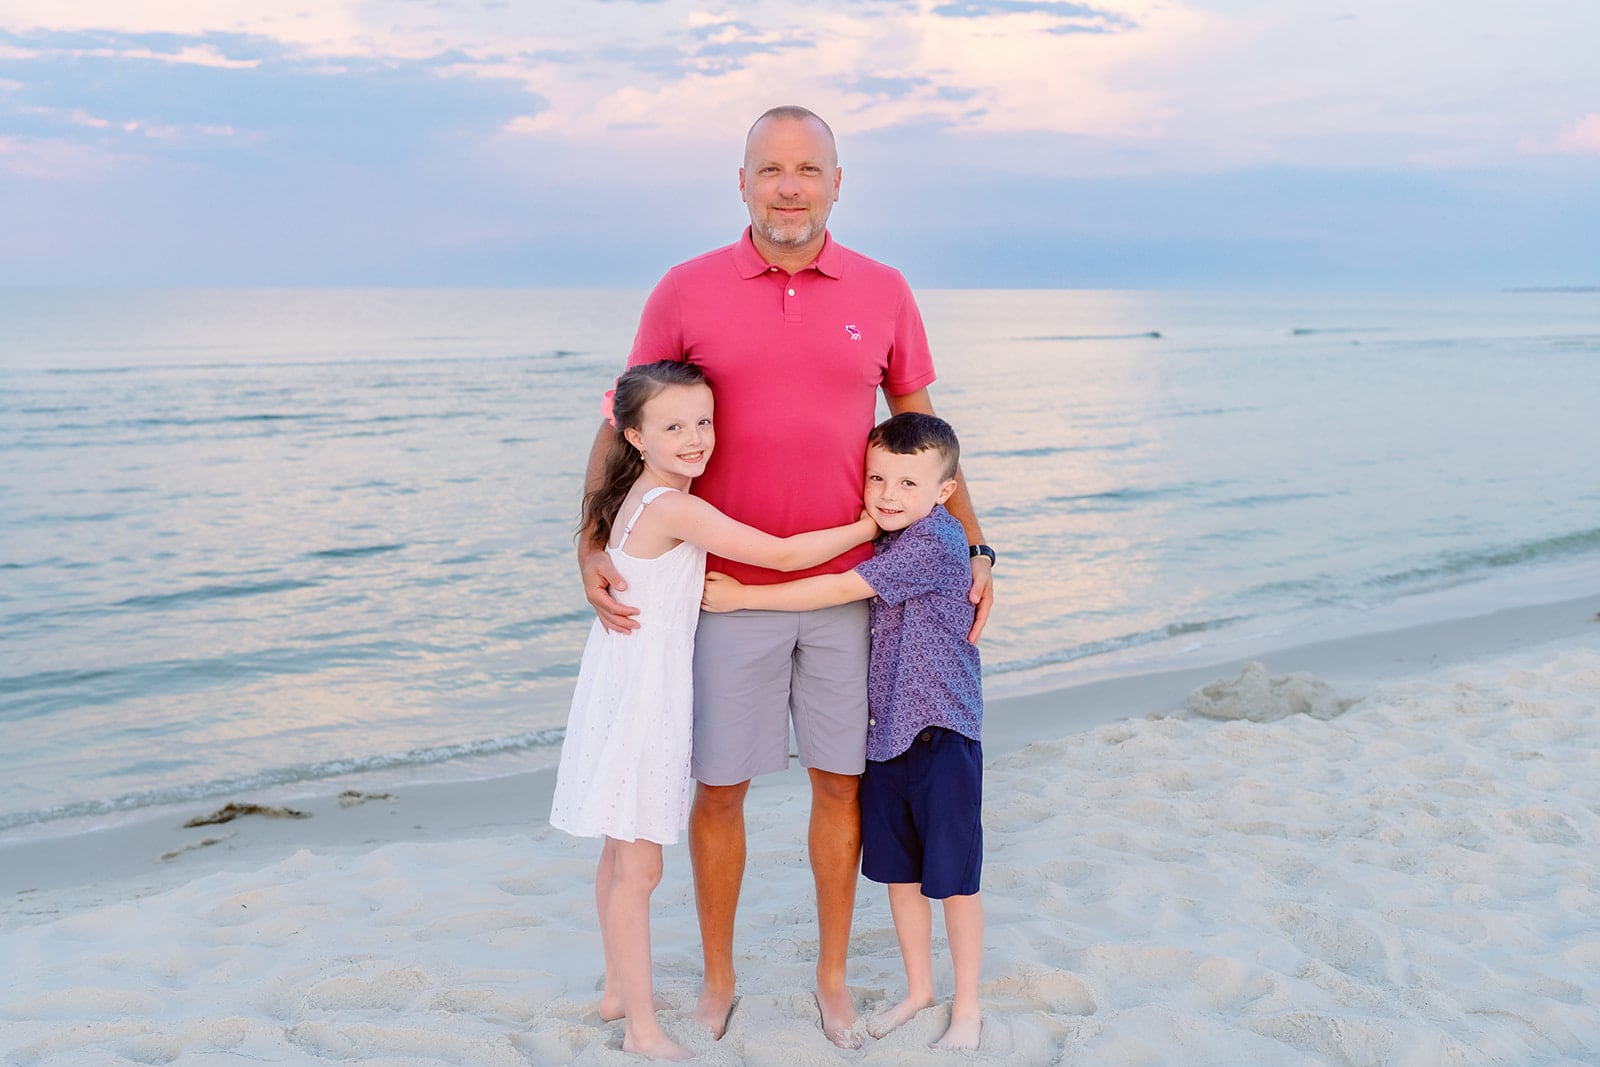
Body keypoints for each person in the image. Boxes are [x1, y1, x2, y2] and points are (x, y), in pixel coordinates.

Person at [577, 104, 995, 1048]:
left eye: (808, 169)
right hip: (722, 593)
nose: (790, 187)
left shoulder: (884, 289)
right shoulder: (685, 288)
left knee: (842, 787)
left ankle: (833, 978)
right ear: (742, 183)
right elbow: (625, 421)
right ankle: (719, 978)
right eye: (771, 169)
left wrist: (975, 547)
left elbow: (926, 433)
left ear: (838, 183)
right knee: (719, 790)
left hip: (854, 593)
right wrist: (591, 544)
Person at [551, 359, 879, 1061]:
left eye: (703, 421)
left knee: (618, 852)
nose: (696, 438)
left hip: (620, 680)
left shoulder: (640, 495)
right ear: (633, 436)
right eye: (673, 427)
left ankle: (617, 992)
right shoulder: (674, 507)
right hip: (644, 694)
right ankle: (641, 1030)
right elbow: (782, 555)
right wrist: (865, 527)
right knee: (640, 869)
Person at [702, 412, 985, 1050]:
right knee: (902, 875)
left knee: (954, 879)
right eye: (877, 478)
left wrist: (745, 597)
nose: (888, 494)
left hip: (941, 732)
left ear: (945, 491)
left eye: (908, 483)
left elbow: (835, 587)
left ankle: (967, 1003)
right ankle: (919, 991)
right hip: (888, 735)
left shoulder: (933, 541)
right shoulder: (894, 533)